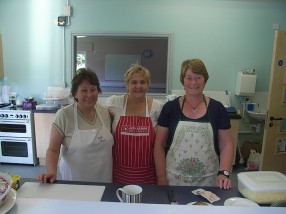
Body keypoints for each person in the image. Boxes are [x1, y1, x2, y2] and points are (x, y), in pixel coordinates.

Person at [154, 59, 234, 189]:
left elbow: (226, 144)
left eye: (198, 77)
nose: (193, 82)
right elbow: (159, 145)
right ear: (183, 80)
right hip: (173, 180)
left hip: (209, 180)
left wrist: (224, 172)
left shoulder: (217, 109)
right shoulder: (170, 108)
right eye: (189, 78)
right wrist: (161, 177)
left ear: (205, 79)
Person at [37, 68, 114, 183]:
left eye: (93, 89)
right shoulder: (64, 115)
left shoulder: (105, 112)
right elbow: (53, 150)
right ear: (75, 93)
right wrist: (51, 171)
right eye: (84, 90)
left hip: (104, 180)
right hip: (75, 182)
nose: (89, 95)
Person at [106, 64, 163, 184]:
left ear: (148, 85)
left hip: (148, 175)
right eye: (133, 82)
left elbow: (161, 144)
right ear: (127, 85)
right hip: (120, 173)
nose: (138, 86)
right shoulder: (114, 103)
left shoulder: (157, 107)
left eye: (142, 82)